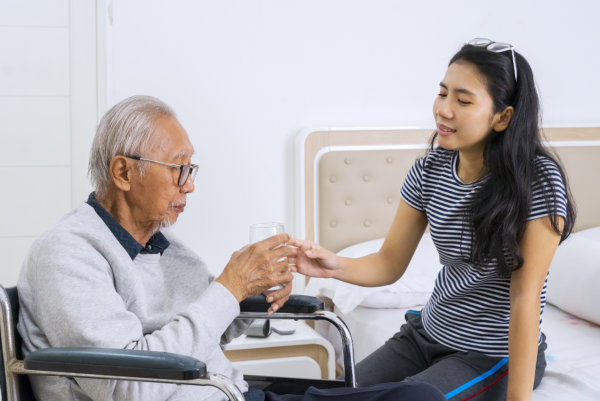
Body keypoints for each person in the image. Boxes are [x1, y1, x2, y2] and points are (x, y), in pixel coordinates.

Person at [17, 95, 446, 401]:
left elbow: (208, 327)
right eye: (178, 168)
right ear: (124, 172)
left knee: (417, 394)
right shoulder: (68, 254)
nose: (190, 184)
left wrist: (250, 290)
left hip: (231, 390)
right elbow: (130, 387)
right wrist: (228, 286)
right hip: (214, 394)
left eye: (191, 168)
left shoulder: (165, 245)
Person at [290, 38, 575, 401]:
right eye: (443, 94)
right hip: (425, 333)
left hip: (490, 354)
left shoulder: (537, 182)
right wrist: (332, 265)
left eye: (463, 100)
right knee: (334, 395)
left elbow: (525, 297)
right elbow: (389, 263)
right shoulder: (430, 169)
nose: (444, 110)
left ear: (503, 117)